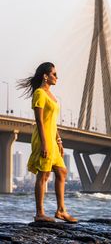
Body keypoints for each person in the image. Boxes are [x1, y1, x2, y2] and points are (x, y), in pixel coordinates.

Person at [18, 62, 77, 223]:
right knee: (43, 175)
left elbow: (52, 121)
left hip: (52, 140)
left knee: (62, 172)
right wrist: (44, 143)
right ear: (45, 76)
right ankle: (40, 213)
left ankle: (61, 211)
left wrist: (59, 140)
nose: (57, 77)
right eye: (54, 74)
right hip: (43, 139)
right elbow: (39, 120)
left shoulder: (52, 96)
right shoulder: (39, 93)